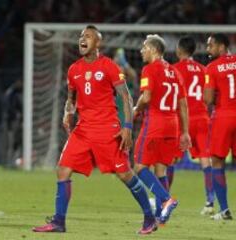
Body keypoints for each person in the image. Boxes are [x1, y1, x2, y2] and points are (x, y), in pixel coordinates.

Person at [33, 25, 157, 235]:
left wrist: (127, 127)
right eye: (81, 36)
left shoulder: (108, 66)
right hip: (83, 130)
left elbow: (126, 97)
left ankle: (149, 217)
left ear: (98, 43)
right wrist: (67, 112)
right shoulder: (73, 70)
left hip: (107, 130)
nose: (83, 39)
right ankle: (59, 221)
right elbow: (71, 99)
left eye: (88, 36)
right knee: (63, 169)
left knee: (124, 173)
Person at [133, 34, 191, 224]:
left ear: (154, 50)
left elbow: (147, 97)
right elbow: (183, 105)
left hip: (155, 123)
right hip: (172, 125)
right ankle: (161, 216)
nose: (142, 50)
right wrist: (185, 131)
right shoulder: (175, 72)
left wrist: (136, 108)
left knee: (140, 167)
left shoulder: (149, 69)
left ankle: (166, 199)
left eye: (144, 47)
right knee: (161, 170)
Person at [173, 36, 214, 215]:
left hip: (182, 120)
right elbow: (208, 96)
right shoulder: (204, 69)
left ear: (180, 50)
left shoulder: (174, 69)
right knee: (206, 159)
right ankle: (210, 202)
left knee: (170, 159)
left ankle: (163, 198)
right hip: (202, 118)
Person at [204, 33, 236, 220]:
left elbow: (208, 99)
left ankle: (224, 210)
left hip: (223, 117)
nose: (208, 50)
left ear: (222, 46)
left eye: (211, 46)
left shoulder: (212, 68)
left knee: (217, 163)